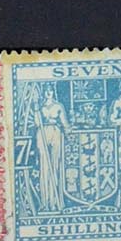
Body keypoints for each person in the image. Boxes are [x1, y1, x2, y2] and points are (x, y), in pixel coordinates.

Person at [34, 85, 68, 216]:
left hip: (55, 132)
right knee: (44, 167)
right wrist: (36, 109)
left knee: (54, 166)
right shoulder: (40, 107)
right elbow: (37, 123)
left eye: (51, 90)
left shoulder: (59, 106)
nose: (49, 93)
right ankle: (45, 202)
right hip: (42, 133)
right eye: (46, 91)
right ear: (44, 93)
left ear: (53, 92)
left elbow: (64, 123)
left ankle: (55, 202)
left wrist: (69, 129)